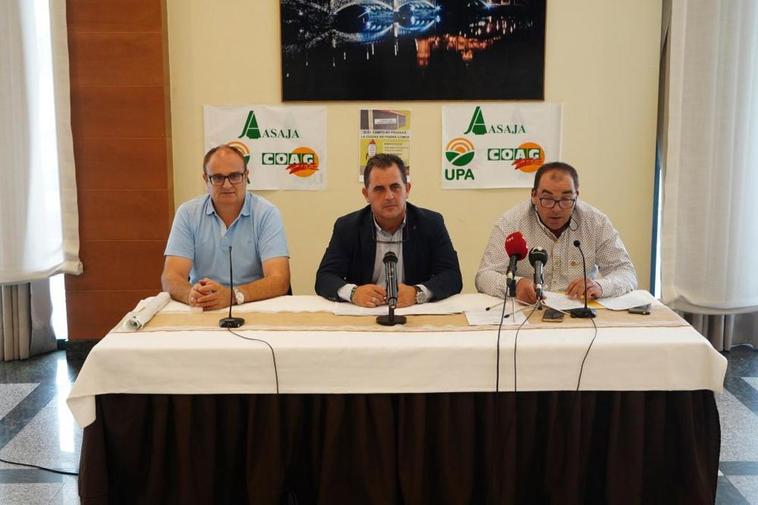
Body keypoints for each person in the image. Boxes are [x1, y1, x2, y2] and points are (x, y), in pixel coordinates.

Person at [475, 161, 637, 304]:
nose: (557, 208)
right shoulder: (511, 223)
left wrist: (601, 286)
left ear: (577, 196)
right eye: (547, 199)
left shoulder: (595, 222)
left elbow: (626, 272)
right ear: (534, 196)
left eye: (566, 200)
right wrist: (515, 285)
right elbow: (484, 277)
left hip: (578, 310)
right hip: (526, 311)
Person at [316, 153, 462, 307]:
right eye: (379, 189)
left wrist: (417, 293)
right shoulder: (347, 227)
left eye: (395, 187)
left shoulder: (431, 224)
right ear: (366, 195)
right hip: (365, 313)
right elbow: (325, 277)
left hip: (412, 312)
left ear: (407, 189)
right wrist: (353, 293)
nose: (389, 196)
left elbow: (452, 276)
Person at [161, 145, 290, 309]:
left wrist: (232, 295)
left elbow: (280, 279)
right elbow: (171, 276)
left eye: (235, 176)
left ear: (246, 176)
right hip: (202, 305)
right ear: (206, 179)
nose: (227, 185)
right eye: (218, 178)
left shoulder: (267, 213)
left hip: (252, 303)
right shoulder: (187, 214)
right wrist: (190, 295)